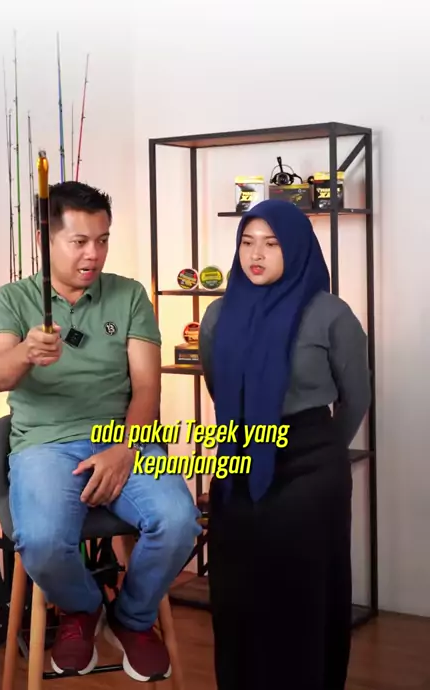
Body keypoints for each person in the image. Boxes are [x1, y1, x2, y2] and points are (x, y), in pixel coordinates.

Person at [0, 181, 201, 681]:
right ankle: (83, 609)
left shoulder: (129, 295)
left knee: (179, 521)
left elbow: (147, 387)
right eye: (79, 241)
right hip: (44, 445)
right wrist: (26, 352)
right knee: (41, 540)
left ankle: (132, 617)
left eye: (102, 240)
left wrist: (126, 448)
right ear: (46, 239)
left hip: (124, 440)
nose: (94, 254)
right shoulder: (10, 300)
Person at [198, 199, 371, 690]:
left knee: (301, 594)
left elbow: (356, 397)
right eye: (247, 242)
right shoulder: (218, 315)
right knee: (236, 593)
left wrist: (320, 450)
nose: (256, 255)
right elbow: (217, 385)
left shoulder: (330, 314)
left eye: (271, 244)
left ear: (295, 248)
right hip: (238, 458)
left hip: (310, 465)